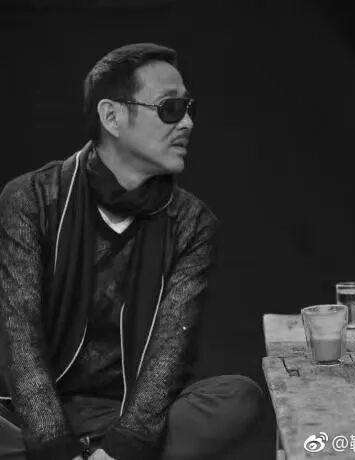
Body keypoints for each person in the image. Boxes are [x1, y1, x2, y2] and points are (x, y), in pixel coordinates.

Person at [0, 43, 272, 460]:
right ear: (111, 117)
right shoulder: (31, 200)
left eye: (188, 109)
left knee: (238, 397)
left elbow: (170, 355)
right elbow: (21, 340)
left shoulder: (192, 223)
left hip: (130, 417)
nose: (187, 123)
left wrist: (121, 449)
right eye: (170, 108)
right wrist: (54, 447)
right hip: (32, 415)